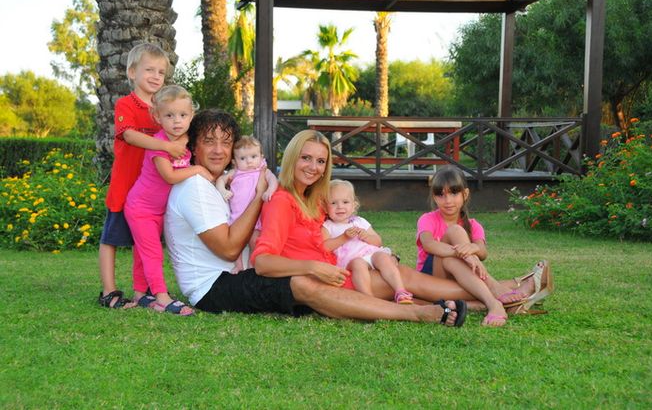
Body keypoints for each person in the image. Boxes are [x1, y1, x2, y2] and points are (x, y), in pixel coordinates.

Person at [165, 113, 468, 326]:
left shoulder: (220, 184)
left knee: (396, 274)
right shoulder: (197, 187)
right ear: (193, 146)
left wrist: (369, 250)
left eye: (225, 142)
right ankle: (417, 313)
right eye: (209, 142)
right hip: (215, 286)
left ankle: (485, 297)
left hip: (274, 272)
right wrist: (262, 195)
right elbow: (234, 250)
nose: (219, 150)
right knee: (304, 284)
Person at [97, 43, 187, 309]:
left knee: (144, 241)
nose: (156, 76)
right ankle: (108, 291)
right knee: (111, 238)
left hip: (150, 191)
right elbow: (129, 135)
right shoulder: (126, 104)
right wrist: (166, 147)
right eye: (149, 70)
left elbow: (180, 131)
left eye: (161, 72)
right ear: (132, 72)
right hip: (126, 184)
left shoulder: (163, 110)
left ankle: (142, 290)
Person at [416, 166, 552, 326]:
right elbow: (429, 245)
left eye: (454, 193)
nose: (448, 200)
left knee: (453, 262)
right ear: (434, 197)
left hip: (460, 278)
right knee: (454, 232)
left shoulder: (474, 225)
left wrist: (473, 249)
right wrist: (465, 254)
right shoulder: (427, 219)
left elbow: (483, 252)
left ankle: (492, 301)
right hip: (433, 278)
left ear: (465, 194)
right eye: (441, 195)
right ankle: (504, 290)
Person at [124, 85, 213, 315]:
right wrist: (197, 170)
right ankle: (161, 297)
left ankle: (140, 293)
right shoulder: (159, 144)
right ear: (157, 117)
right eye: (169, 115)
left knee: (143, 253)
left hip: (159, 210)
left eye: (183, 115)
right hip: (141, 208)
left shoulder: (187, 141)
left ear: (191, 115)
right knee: (152, 252)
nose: (177, 121)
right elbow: (170, 176)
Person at [322, 179, 414, 304]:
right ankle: (369, 298)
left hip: (370, 255)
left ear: (353, 205)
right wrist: (343, 237)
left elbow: (378, 241)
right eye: (333, 203)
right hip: (350, 260)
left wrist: (367, 237)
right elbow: (325, 246)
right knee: (358, 264)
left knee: (382, 257)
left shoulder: (360, 221)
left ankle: (400, 291)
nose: (340, 206)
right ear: (325, 207)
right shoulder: (328, 226)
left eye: (345, 202)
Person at [215, 135, 279, 274]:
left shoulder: (262, 171)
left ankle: (251, 265)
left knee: (254, 242)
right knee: (237, 244)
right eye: (243, 158)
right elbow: (221, 180)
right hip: (238, 217)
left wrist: (269, 190)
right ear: (234, 161)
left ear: (261, 157)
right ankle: (238, 266)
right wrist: (223, 191)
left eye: (253, 156)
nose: (249, 161)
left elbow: (273, 180)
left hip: (256, 216)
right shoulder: (235, 172)